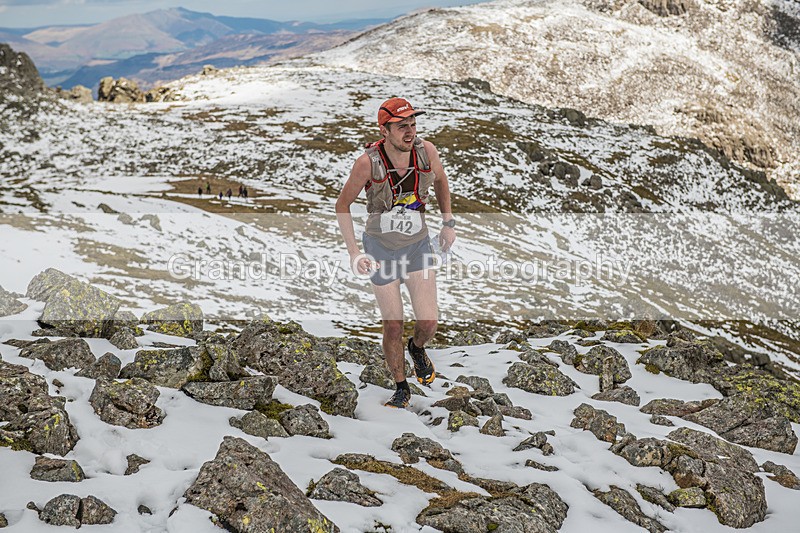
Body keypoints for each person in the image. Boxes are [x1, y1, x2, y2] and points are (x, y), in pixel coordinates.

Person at [336, 97, 456, 408]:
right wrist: (353, 253)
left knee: (429, 322)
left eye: (413, 125)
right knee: (393, 324)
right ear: (384, 130)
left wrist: (448, 222)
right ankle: (401, 387)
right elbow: (342, 205)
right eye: (402, 126)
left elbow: (441, 182)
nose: (410, 132)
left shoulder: (426, 152)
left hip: (417, 244)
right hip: (380, 248)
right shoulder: (368, 163)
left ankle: (417, 349)